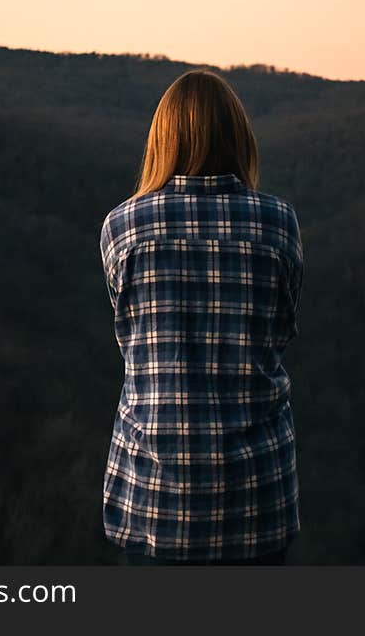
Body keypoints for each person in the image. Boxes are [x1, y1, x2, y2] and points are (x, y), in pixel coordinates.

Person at [99, 68, 304, 565]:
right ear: (239, 138)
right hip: (257, 499)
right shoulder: (278, 223)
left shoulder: (122, 228)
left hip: (153, 499)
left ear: (161, 141)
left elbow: (131, 342)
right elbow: (281, 331)